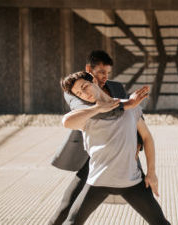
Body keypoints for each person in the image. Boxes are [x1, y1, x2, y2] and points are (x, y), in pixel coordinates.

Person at [49, 50, 147, 225]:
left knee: (148, 204)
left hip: (120, 152)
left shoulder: (116, 87)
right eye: (101, 72)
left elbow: (133, 115)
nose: (105, 77)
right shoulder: (74, 90)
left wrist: (138, 144)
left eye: (108, 72)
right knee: (67, 204)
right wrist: (125, 104)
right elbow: (90, 113)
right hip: (92, 155)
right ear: (89, 69)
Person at [60, 71, 170, 225]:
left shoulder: (130, 105)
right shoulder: (86, 116)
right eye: (79, 93)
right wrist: (98, 108)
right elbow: (66, 122)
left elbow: (147, 138)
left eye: (85, 86)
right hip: (97, 181)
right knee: (71, 222)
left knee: (160, 223)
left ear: (94, 81)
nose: (84, 94)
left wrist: (151, 172)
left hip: (132, 181)